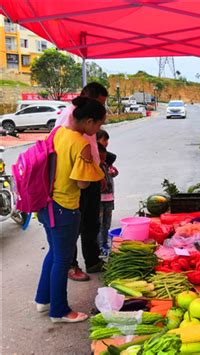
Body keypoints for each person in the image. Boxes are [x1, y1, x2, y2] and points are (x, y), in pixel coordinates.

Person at [35, 96, 105, 323]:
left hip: (45, 203)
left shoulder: (57, 132)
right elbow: (82, 182)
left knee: (54, 253)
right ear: (89, 122)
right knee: (63, 260)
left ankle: (43, 300)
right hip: (65, 207)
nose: (98, 130)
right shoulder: (81, 143)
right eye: (99, 125)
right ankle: (60, 311)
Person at [57, 83, 109, 282]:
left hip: (89, 176)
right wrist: (87, 178)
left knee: (90, 222)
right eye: (100, 104)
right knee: (73, 228)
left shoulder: (84, 128)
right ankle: (71, 266)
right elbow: (64, 155)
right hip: (74, 184)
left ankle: (92, 260)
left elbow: (92, 150)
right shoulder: (68, 123)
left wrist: (99, 174)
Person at [97, 141, 118, 256]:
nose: (103, 160)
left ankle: (104, 242)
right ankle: (99, 245)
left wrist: (112, 170)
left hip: (109, 199)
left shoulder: (106, 164)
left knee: (106, 224)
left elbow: (113, 158)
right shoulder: (95, 166)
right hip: (99, 200)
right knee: (99, 224)